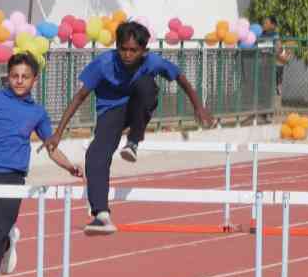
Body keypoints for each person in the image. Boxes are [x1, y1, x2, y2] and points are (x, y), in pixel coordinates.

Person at [43, 21, 213, 235]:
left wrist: (198, 107)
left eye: (133, 50)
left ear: (143, 51)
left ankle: (133, 141)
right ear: (117, 47)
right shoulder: (104, 63)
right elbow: (79, 97)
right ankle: (101, 215)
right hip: (111, 112)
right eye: (123, 49)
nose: (127, 54)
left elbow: (181, 78)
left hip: (139, 105)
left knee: (146, 85)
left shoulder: (152, 61)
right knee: (96, 154)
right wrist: (58, 133)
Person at [0, 52, 81, 277]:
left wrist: (70, 167)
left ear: (34, 80)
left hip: (11, 177)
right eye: (15, 76)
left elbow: (51, 146)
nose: (19, 81)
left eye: (25, 77)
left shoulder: (37, 112)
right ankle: (7, 242)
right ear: (8, 77)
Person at [260, 16, 287, 95]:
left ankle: (277, 88)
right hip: (262, 63)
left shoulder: (275, 35)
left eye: (266, 23)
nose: (264, 25)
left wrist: (271, 52)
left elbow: (278, 48)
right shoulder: (261, 34)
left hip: (272, 62)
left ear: (272, 25)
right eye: (263, 23)